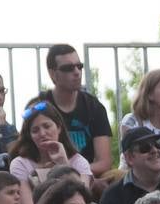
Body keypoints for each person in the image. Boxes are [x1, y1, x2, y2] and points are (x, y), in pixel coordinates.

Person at [35, 44, 113, 177]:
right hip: (48, 177)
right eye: (68, 68)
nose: (77, 72)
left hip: (86, 175)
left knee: (116, 176)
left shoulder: (94, 107)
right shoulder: (39, 106)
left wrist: (75, 172)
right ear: (52, 74)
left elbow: (104, 162)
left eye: (79, 66)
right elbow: (28, 154)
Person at [6, 101, 93, 204]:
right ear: (30, 136)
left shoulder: (78, 161)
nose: (42, 133)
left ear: (59, 127)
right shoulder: (20, 163)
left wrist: (63, 164)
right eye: (35, 130)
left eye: (47, 126)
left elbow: (83, 202)